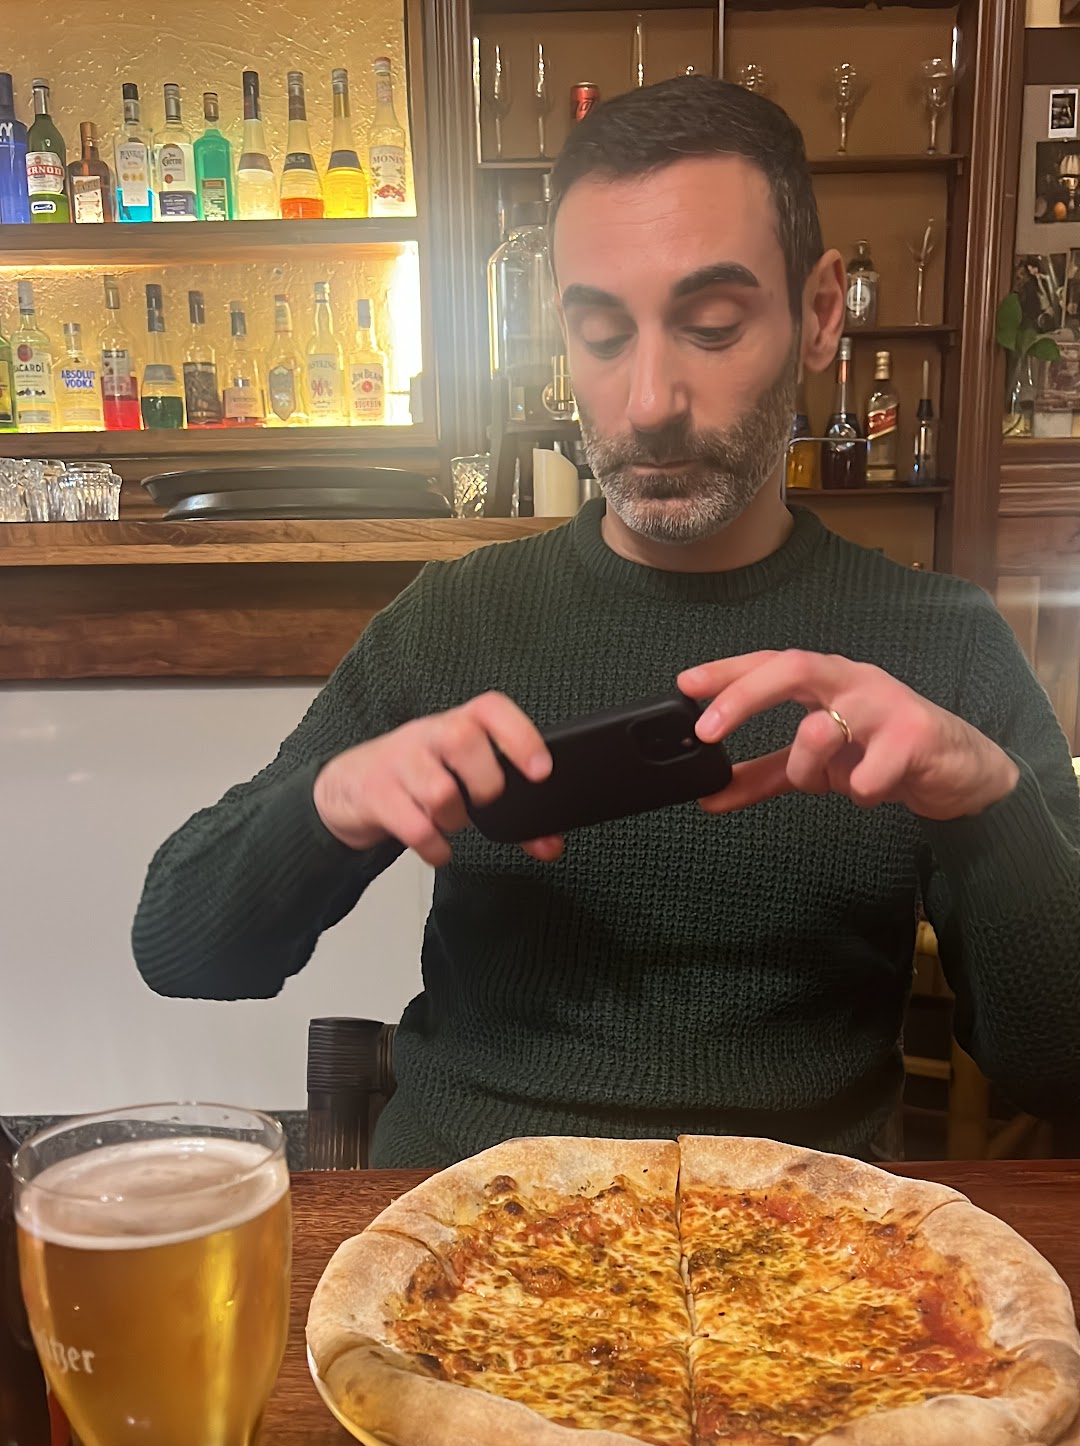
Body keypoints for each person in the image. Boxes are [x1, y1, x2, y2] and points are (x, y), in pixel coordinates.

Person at [133, 77, 1080, 1168]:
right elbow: (182, 946)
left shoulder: (944, 642)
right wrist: (328, 804)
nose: (647, 401)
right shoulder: (455, 619)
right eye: (599, 333)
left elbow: (1058, 1072)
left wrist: (987, 801)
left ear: (822, 313)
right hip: (466, 1226)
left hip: (801, 1247)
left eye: (712, 328)